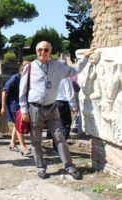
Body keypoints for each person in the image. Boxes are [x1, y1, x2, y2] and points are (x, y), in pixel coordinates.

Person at [19, 41, 95, 180]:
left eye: (46, 50)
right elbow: (22, 92)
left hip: (52, 108)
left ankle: (70, 167)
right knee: (36, 141)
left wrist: (85, 57)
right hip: (34, 108)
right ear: (36, 51)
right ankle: (41, 168)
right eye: (40, 49)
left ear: (50, 51)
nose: (43, 52)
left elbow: (74, 70)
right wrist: (24, 111)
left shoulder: (58, 66)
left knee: (60, 138)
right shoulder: (29, 68)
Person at [0, 63, 31, 156]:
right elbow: (4, 92)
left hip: (23, 105)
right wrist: (3, 107)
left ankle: (12, 143)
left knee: (16, 124)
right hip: (14, 106)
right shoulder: (14, 78)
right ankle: (23, 146)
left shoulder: (28, 78)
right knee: (19, 125)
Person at [47, 77, 78, 151]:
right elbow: (69, 92)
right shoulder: (65, 76)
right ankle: (59, 147)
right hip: (62, 102)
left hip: (51, 102)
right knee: (65, 125)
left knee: (54, 125)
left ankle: (56, 146)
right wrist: (74, 107)